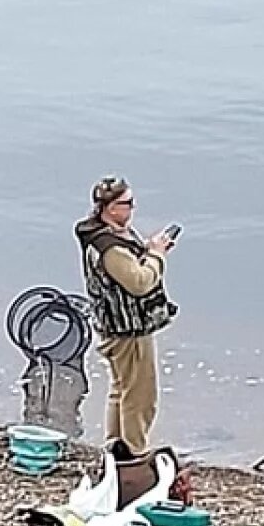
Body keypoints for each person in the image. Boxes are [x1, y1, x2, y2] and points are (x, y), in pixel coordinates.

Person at [74, 175, 178, 459]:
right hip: (127, 330)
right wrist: (157, 256)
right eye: (126, 203)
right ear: (108, 208)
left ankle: (115, 446)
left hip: (114, 325)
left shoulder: (112, 235)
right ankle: (134, 452)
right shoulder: (111, 248)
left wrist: (147, 250)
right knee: (140, 396)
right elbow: (139, 282)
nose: (132, 208)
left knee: (121, 388)